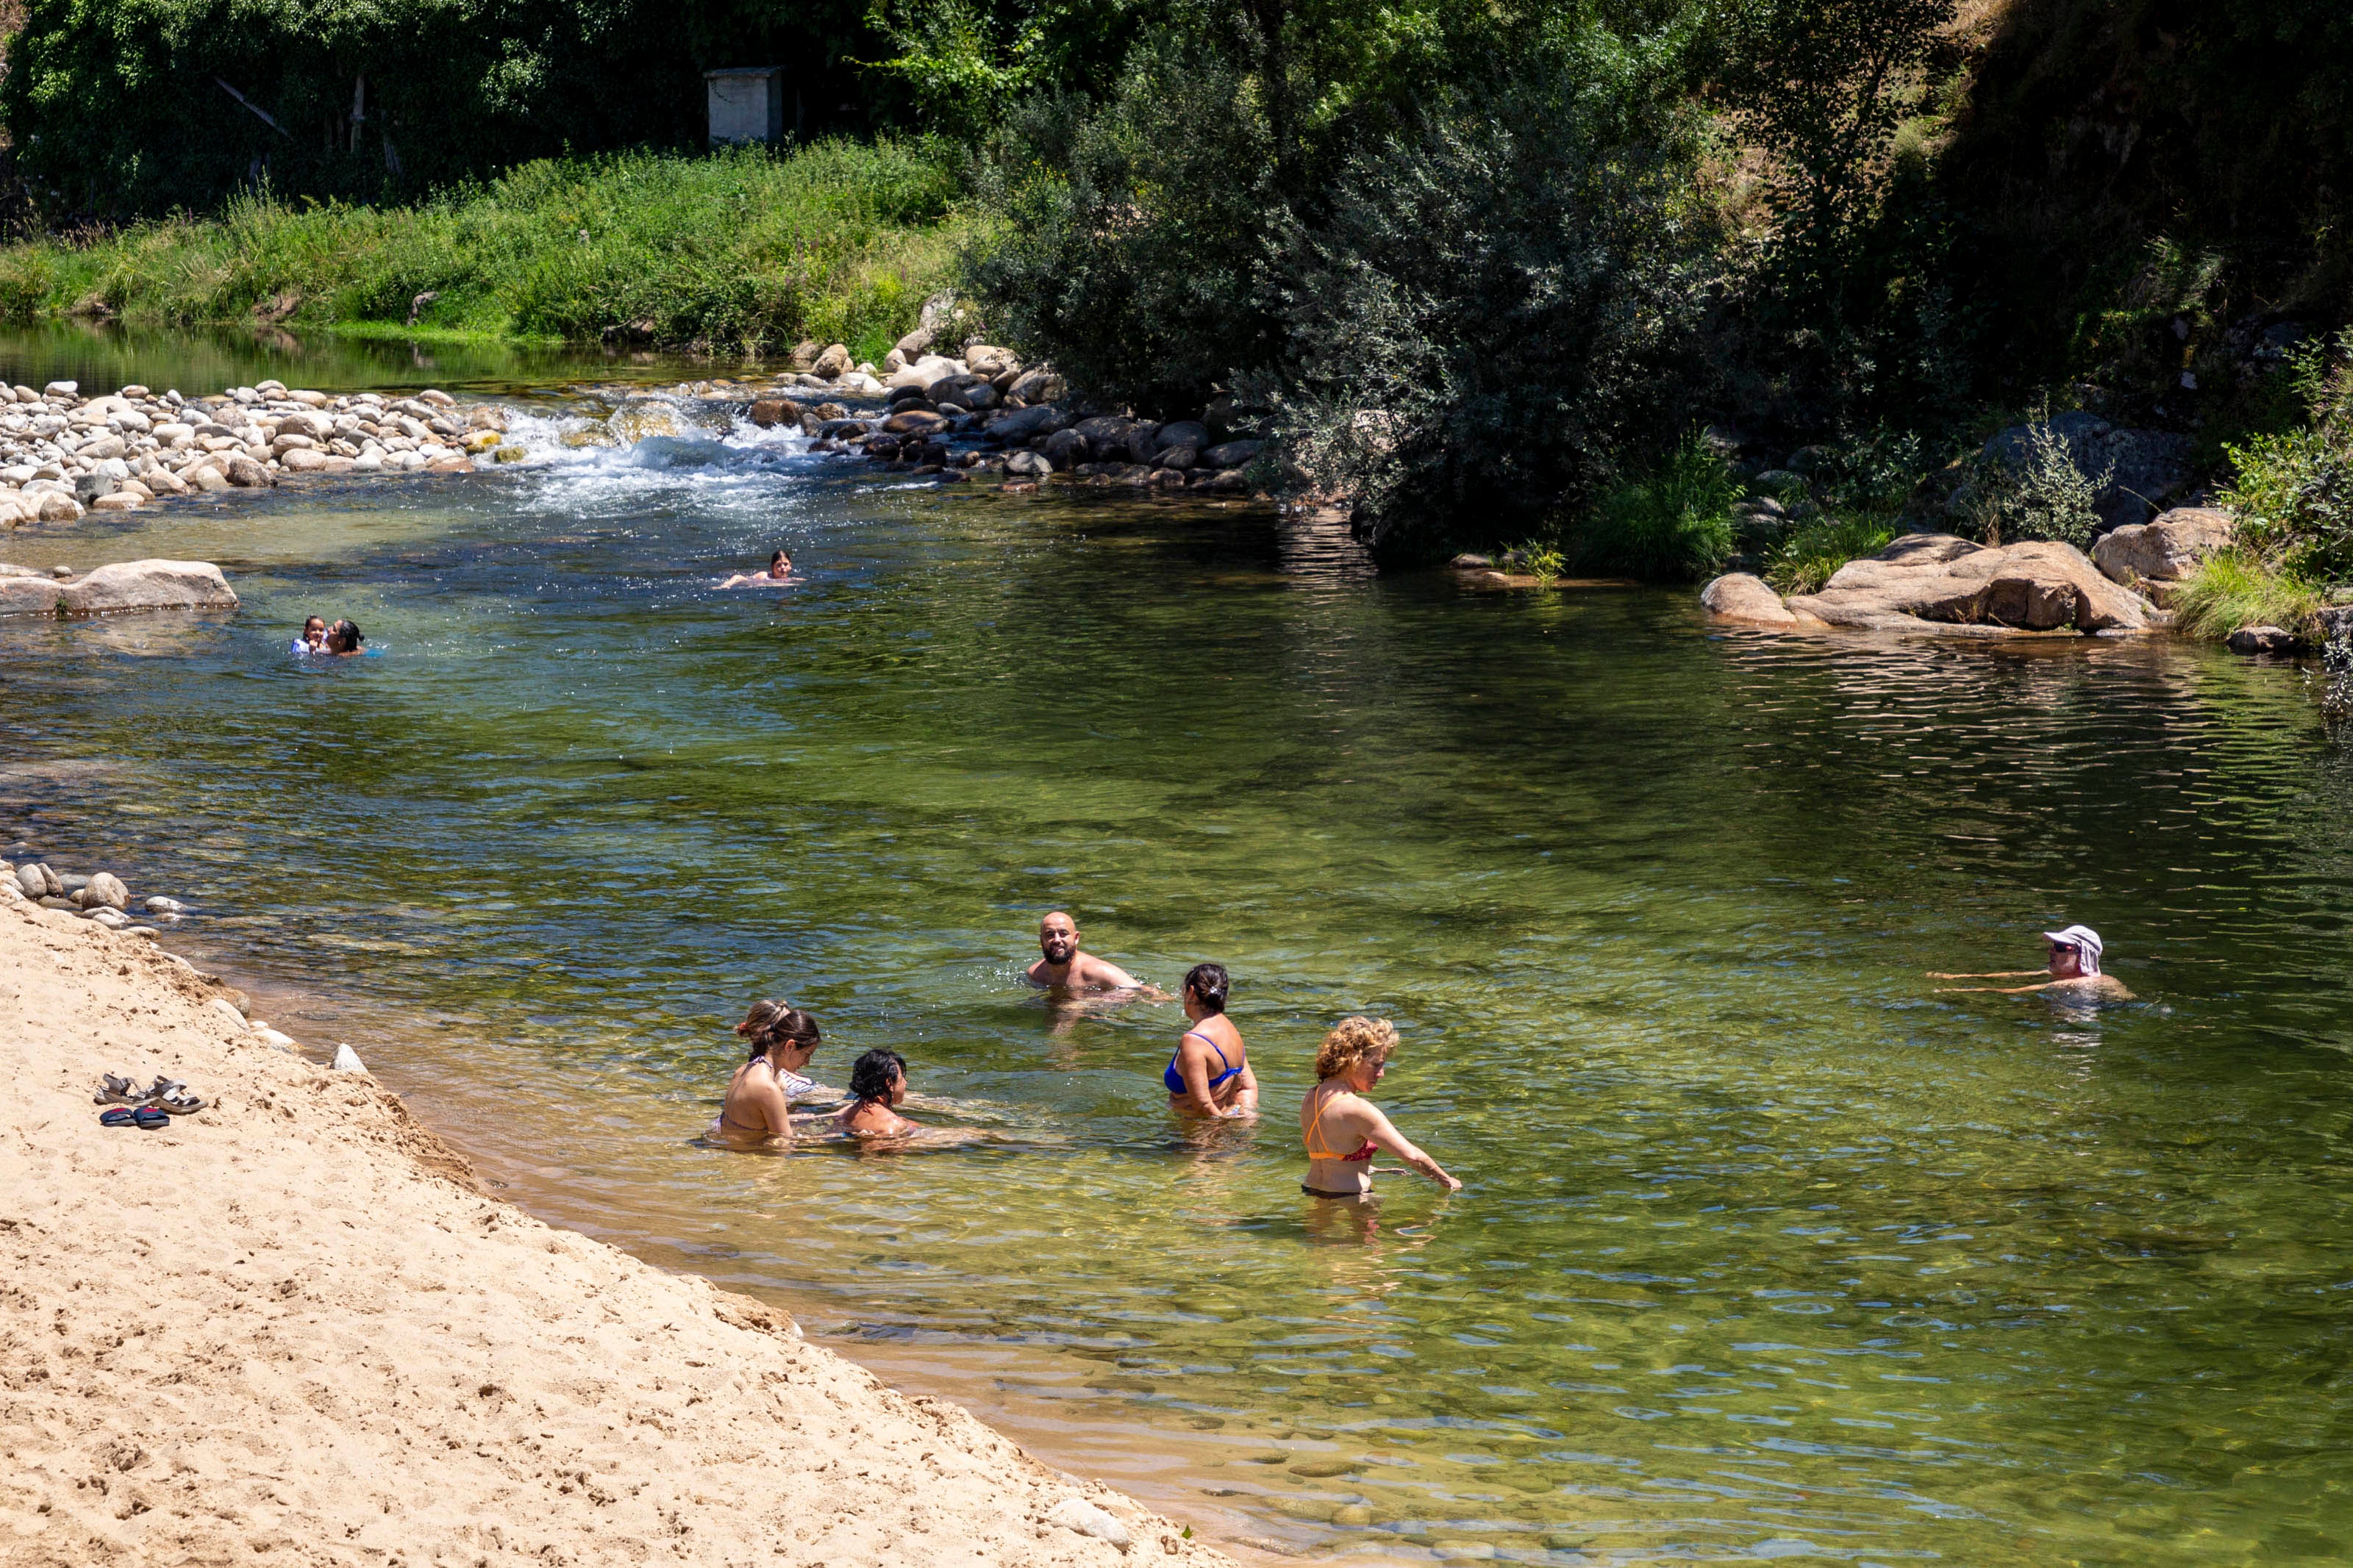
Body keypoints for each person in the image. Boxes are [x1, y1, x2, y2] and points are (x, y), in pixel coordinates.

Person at [1300, 1016, 1461, 1198]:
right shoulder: (1357, 1109)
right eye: (1377, 1065)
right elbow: (1413, 1156)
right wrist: (1448, 1182)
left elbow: (1332, 1154)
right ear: (1354, 1060)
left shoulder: (1311, 1096)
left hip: (1312, 1190)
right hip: (1354, 1198)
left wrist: (1375, 1169)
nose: (1382, 1074)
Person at [707, 1004, 826, 1148]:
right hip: (749, 1159)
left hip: (732, 1150)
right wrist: (834, 1137)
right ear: (790, 1046)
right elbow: (784, 1144)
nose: (807, 1062)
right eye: (807, 1055)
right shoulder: (768, 1089)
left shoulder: (743, 1070)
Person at [1930, 923, 2134, 1000]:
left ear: (2083, 956)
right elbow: (2013, 976)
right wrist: (1955, 977)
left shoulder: (2081, 982)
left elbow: (2014, 991)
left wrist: (1957, 992)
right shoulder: (2064, 974)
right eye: (2053, 946)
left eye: (2061, 947)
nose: (2051, 951)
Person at [1165, 962, 1257, 1119]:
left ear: (1191, 993)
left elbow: (1203, 1106)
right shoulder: (1231, 1030)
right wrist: (1244, 1117)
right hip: (1226, 1119)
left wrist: (1215, 1135)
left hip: (1197, 1133)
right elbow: (1249, 1087)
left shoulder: (1193, 1041)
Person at [1026, 911, 1146, 992]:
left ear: (1076, 938)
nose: (1057, 940)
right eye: (1050, 935)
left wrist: (1087, 1003)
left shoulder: (1100, 972)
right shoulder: (1035, 974)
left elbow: (1142, 992)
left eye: (1063, 934)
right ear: (1041, 939)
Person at [840, 1048, 918, 1137]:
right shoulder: (893, 1125)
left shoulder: (850, 1112)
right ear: (889, 1083)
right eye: (902, 1077)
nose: (905, 1082)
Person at [719, 549, 794, 589]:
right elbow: (740, 578)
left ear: (790, 566)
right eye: (778, 565)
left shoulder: (793, 580)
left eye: (786, 564)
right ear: (772, 567)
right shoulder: (764, 575)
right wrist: (728, 584)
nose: (783, 568)